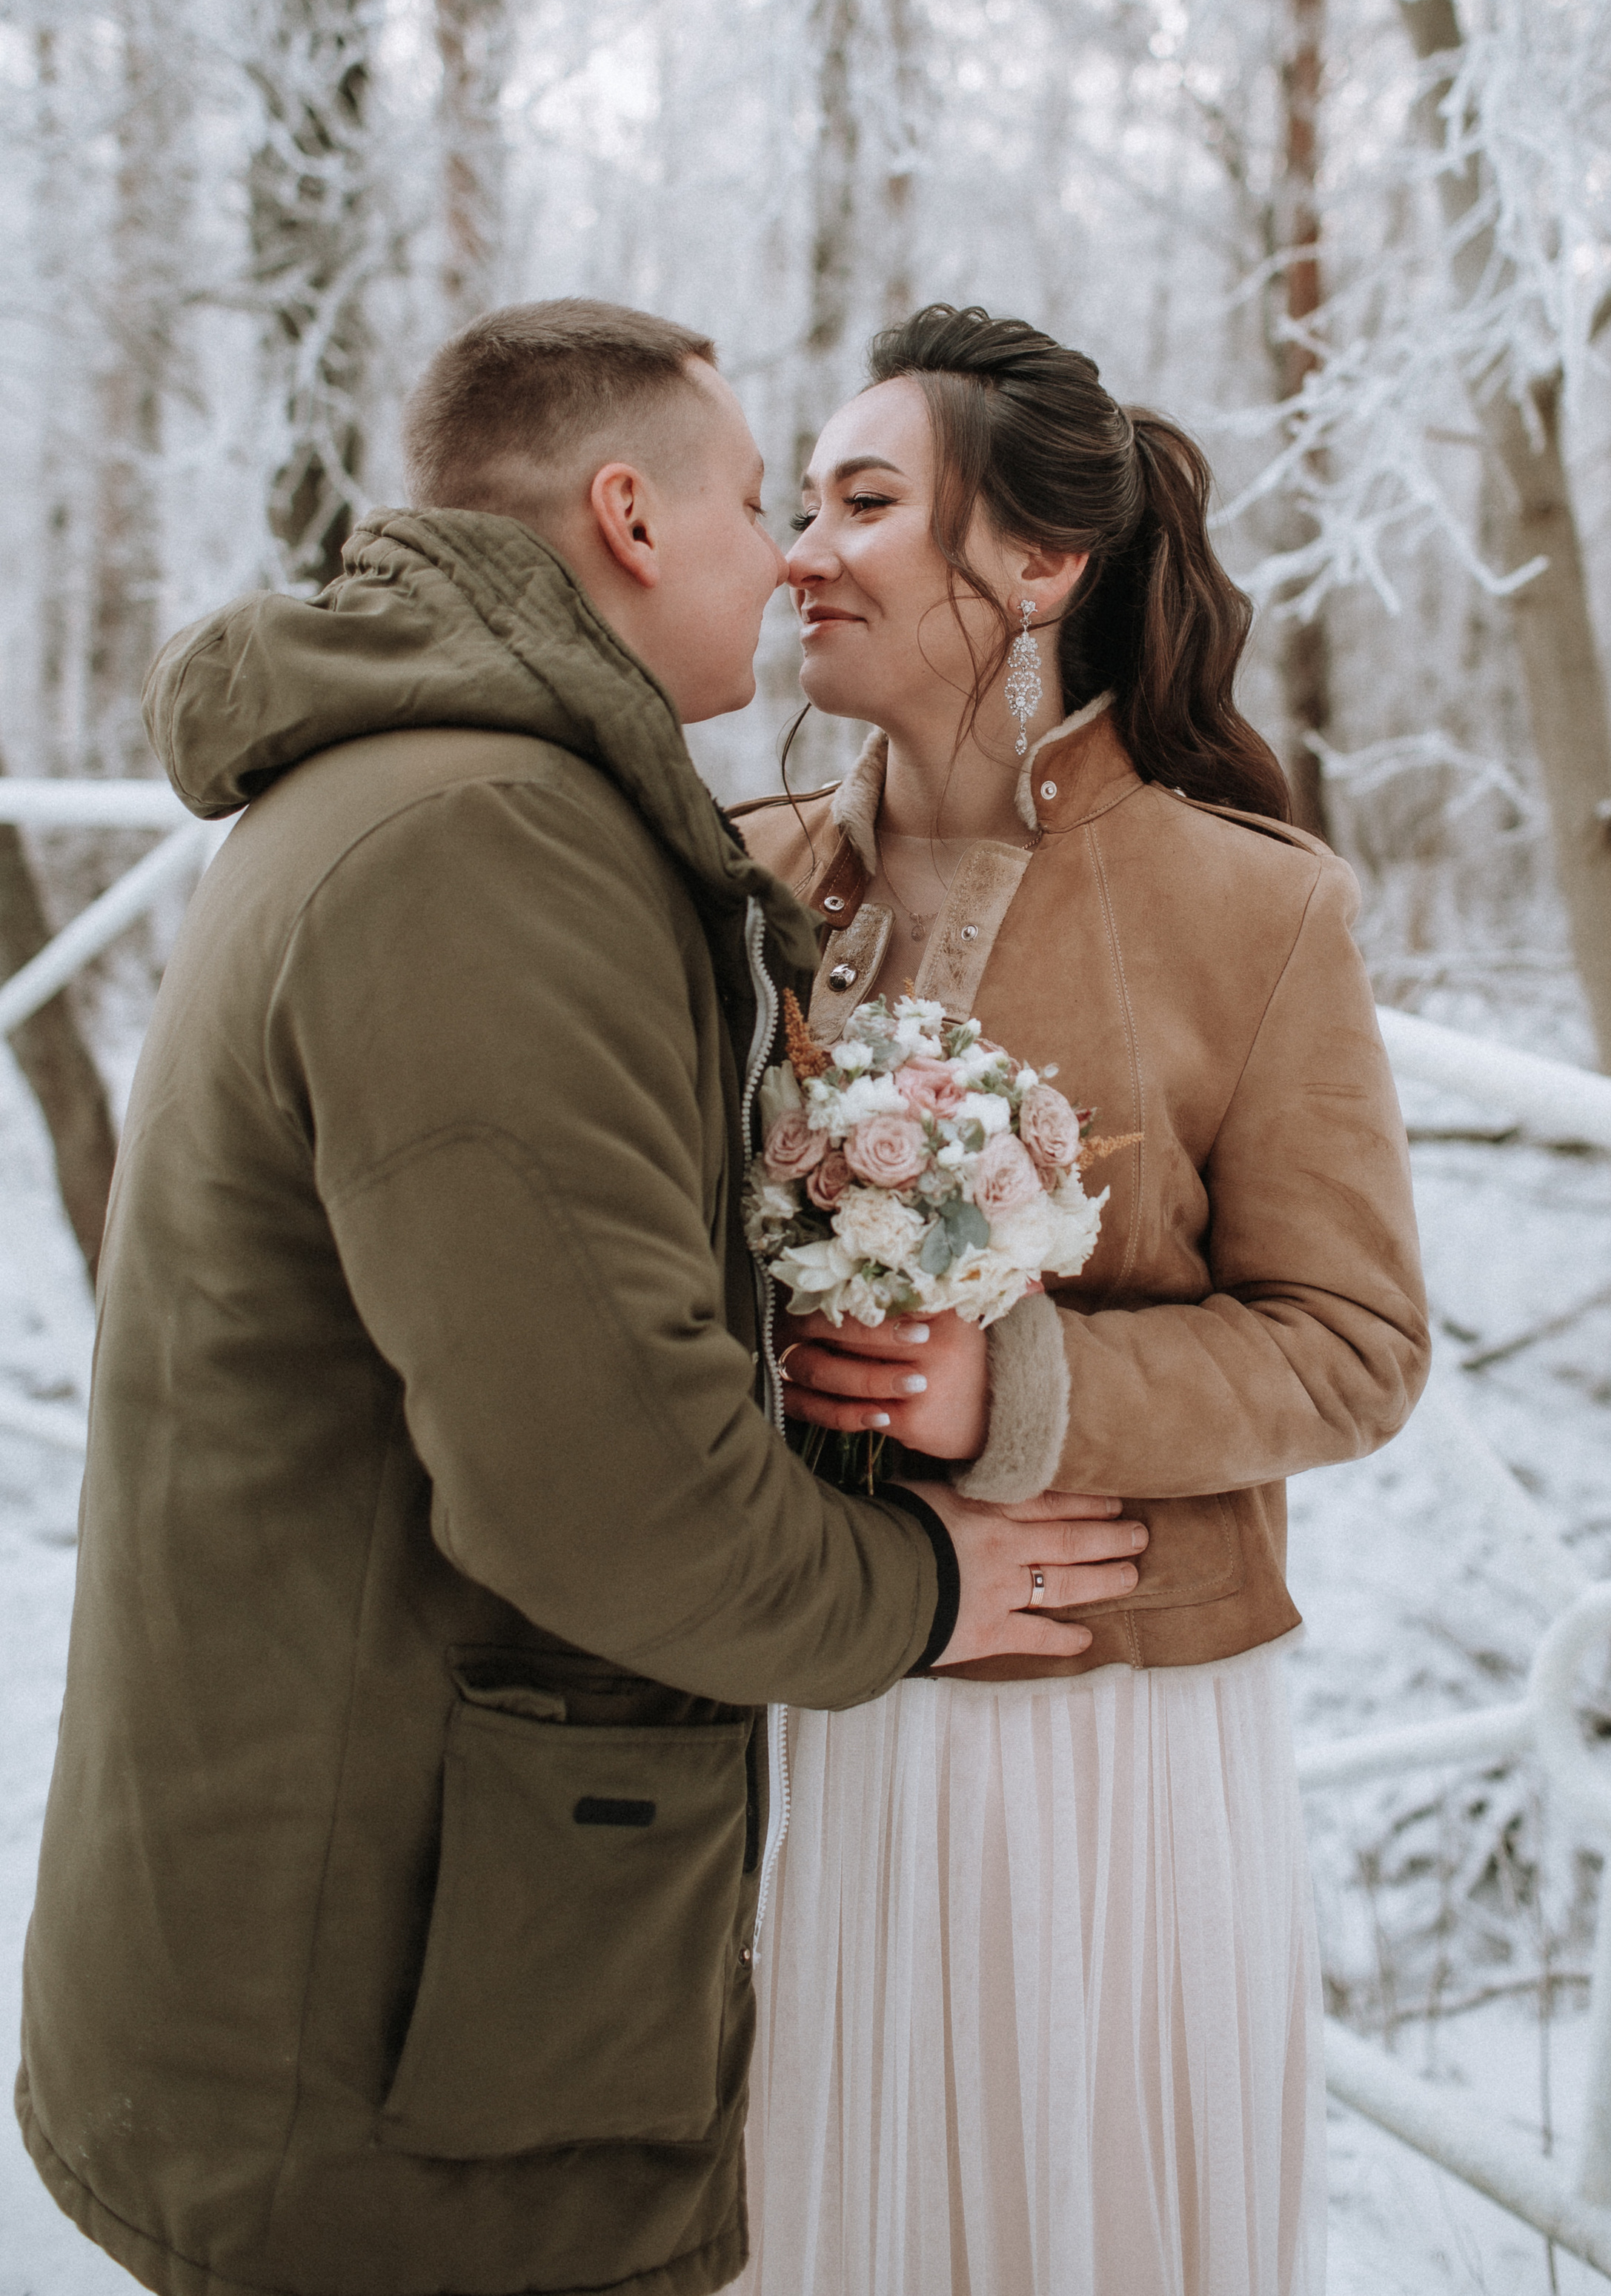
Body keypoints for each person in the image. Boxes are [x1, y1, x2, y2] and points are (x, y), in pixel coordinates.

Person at [15, 299, 1147, 2296]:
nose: (784, 558)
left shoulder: (446, 789)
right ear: (627, 517)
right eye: (755, 502)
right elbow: (614, 1500)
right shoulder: (488, 847)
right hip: (380, 2004)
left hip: (358, 1912)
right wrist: (925, 1588)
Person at [731, 305, 1433, 2296]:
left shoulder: (1252, 906)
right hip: (786, 1698)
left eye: (863, 503)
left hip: (1093, 1744)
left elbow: (1356, 1346)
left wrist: (1010, 1393)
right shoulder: (744, 878)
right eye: (801, 502)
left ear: (1038, 565)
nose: (798, 552)